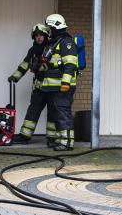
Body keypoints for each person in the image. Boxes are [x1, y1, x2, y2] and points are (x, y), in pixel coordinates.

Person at [9, 24, 58, 148]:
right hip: (39, 87)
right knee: (33, 111)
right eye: (37, 36)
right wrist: (15, 76)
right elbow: (25, 65)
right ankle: (25, 136)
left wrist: (41, 66)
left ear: (46, 36)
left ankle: (52, 138)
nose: (39, 38)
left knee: (53, 112)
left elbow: (56, 65)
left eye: (41, 35)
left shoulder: (52, 47)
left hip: (52, 87)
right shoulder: (33, 50)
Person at [42, 14, 78, 151]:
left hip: (62, 87)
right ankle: (54, 139)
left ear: (55, 27)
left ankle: (67, 142)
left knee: (63, 113)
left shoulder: (66, 42)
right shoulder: (54, 42)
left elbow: (70, 64)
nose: (48, 30)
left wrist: (66, 83)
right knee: (53, 113)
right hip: (52, 87)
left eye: (49, 28)